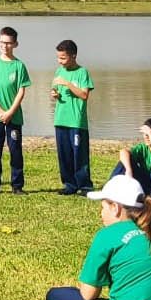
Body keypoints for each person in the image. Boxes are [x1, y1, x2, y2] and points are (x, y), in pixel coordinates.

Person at [0, 25, 32, 194]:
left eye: (8, 43)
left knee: (15, 151)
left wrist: (10, 112)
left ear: (15, 44)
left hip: (13, 117)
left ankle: (17, 185)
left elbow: (21, 91)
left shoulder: (19, 66)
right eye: (2, 42)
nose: (5, 46)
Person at [51, 39, 94, 195]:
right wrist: (54, 94)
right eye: (58, 57)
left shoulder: (82, 73)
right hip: (60, 119)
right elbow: (54, 90)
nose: (59, 61)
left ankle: (84, 185)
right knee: (64, 154)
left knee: (79, 155)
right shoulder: (58, 71)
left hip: (76, 121)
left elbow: (84, 95)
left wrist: (68, 84)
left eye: (63, 58)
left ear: (73, 56)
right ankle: (69, 185)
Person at [110, 116, 151, 199]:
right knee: (126, 159)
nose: (146, 136)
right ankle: (111, 187)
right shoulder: (142, 148)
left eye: (150, 134)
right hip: (146, 183)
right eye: (145, 134)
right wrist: (129, 169)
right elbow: (123, 152)